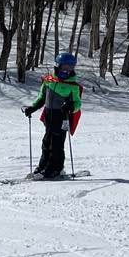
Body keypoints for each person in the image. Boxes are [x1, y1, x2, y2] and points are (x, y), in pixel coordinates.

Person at [24, 51, 82, 179]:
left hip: (62, 119)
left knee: (57, 144)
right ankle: (43, 166)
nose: (66, 71)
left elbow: (78, 103)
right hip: (49, 117)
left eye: (70, 68)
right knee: (46, 142)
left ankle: (55, 168)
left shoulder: (72, 86)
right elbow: (42, 98)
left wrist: (71, 106)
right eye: (64, 67)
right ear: (57, 66)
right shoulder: (49, 81)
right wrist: (32, 108)